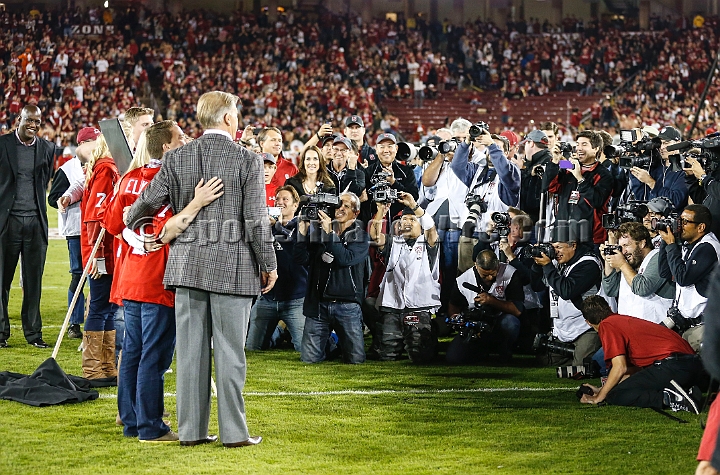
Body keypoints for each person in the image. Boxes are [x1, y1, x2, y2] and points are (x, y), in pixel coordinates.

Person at [125, 91, 277, 447]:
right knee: (230, 356)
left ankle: (191, 432)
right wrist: (268, 264)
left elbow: (138, 212)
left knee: (191, 356)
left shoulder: (177, 157)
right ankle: (234, 434)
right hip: (233, 269)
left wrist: (154, 232)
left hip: (186, 269)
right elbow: (256, 221)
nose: (238, 119)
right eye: (236, 114)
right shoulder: (247, 160)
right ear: (227, 119)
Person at [104, 120, 219, 443]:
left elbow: (112, 224)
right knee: (153, 357)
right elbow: (167, 229)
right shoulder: (169, 180)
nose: (187, 140)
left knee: (133, 353)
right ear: (166, 147)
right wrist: (196, 202)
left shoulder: (129, 178)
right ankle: (151, 427)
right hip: (157, 278)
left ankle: (130, 420)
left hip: (130, 277)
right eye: (181, 137)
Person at [579, 295, 703, 413]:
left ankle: (672, 398)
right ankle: (683, 391)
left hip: (673, 365)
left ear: (588, 322)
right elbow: (635, 372)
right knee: (619, 390)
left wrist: (599, 397)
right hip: (692, 365)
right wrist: (601, 389)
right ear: (610, 309)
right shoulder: (622, 321)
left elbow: (620, 367)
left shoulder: (607, 325)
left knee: (615, 395)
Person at [0, 105, 57, 349]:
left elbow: (46, 181)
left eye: (37, 121)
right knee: (2, 280)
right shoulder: (3, 144)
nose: (33, 124)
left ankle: (33, 334)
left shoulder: (47, 148)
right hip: (8, 222)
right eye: (29, 120)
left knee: (34, 282)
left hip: (35, 221)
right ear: (19, 120)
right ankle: (1, 333)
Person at [293, 192, 369, 364]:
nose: (340, 208)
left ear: (356, 213)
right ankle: (332, 346)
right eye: (339, 204)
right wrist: (302, 234)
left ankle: (333, 345)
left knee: (355, 360)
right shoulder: (319, 232)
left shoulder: (361, 236)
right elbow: (301, 259)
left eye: (346, 206)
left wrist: (329, 234)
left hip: (347, 305)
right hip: (319, 304)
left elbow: (345, 259)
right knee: (308, 360)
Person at [371, 192, 439, 363]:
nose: (407, 222)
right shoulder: (393, 242)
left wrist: (414, 206)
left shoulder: (428, 242)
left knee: (420, 356)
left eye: (412, 219)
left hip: (419, 306)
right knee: (386, 354)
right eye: (404, 219)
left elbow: (431, 227)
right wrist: (380, 210)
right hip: (392, 305)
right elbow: (375, 236)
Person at [48, 126, 100, 339]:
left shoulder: (100, 164)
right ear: (82, 144)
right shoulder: (68, 169)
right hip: (76, 229)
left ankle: (94, 319)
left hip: (94, 227)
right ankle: (74, 323)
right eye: (94, 142)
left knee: (97, 276)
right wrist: (69, 199)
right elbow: (53, 198)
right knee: (78, 274)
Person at [78, 133, 121, 379]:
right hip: (101, 252)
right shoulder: (106, 170)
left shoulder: (105, 168)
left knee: (109, 308)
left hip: (106, 251)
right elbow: (95, 216)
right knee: (99, 307)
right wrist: (98, 255)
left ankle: (106, 366)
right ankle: (93, 368)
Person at [246, 186, 307, 352]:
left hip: (295, 300)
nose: (280, 202)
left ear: (296, 205)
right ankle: (279, 332)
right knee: (252, 348)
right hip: (267, 298)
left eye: (285, 199)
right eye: (277, 199)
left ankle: (328, 339)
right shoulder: (267, 227)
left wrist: (278, 225)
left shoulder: (303, 226)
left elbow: (295, 247)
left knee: (305, 349)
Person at [532, 233, 602, 366]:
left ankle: (590, 354)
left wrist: (547, 266)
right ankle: (576, 354)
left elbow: (567, 291)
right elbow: (536, 286)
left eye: (559, 247)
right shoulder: (557, 262)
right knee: (543, 359)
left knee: (581, 367)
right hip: (563, 328)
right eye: (552, 247)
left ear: (573, 245)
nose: (555, 252)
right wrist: (537, 264)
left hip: (587, 327)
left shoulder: (589, 263)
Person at [658, 204, 720, 351]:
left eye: (685, 222)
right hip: (685, 324)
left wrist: (672, 244)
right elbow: (664, 272)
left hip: (703, 328)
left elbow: (683, 278)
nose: (680, 225)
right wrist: (664, 240)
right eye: (680, 220)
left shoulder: (708, 247)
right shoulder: (689, 245)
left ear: (701, 227)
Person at [447, 250, 525, 363]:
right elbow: (453, 305)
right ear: (476, 265)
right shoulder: (463, 280)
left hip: (500, 321)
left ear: (498, 264)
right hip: (475, 324)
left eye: (492, 274)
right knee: (454, 358)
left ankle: (504, 351)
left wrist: (491, 301)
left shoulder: (510, 273)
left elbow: (517, 310)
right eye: (484, 275)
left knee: (511, 323)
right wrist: (456, 318)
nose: (489, 278)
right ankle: (479, 351)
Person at [542, 130, 613, 246]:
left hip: (588, 239)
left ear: (596, 149)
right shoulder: (568, 166)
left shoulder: (604, 174)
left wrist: (580, 178)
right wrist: (554, 161)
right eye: (578, 144)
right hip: (563, 235)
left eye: (584, 144)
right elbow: (549, 187)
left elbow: (597, 201)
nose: (579, 148)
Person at [601, 222, 674, 323]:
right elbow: (611, 290)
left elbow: (643, 288)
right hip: (630, 331)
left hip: (657, 331)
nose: (623, 251)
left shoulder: (658, 257)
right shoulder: (629, 263)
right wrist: (608, 259)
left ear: (642, 243)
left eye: (626, 245)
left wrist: (622, 264)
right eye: (620, 247)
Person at [628, 126, 687, 210]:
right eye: (660, 143)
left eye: (666, 143)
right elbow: (641, 197)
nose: (662, 147)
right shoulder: (655, 166)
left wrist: (651, 182)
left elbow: (676, 200)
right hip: (650, 219)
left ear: (678, 143)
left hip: (671, 221)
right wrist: (635, 174)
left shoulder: (685, 168)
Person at [363, 133, 419, 220]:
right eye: (382, 147)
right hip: (375, 221)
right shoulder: (368, 172)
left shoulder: (406, 171)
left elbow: (414, 197)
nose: (386, 150)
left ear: (396, 149)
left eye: (390, 146)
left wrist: (394, 183)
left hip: (400, 221)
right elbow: (365, 201)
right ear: (376, 149)